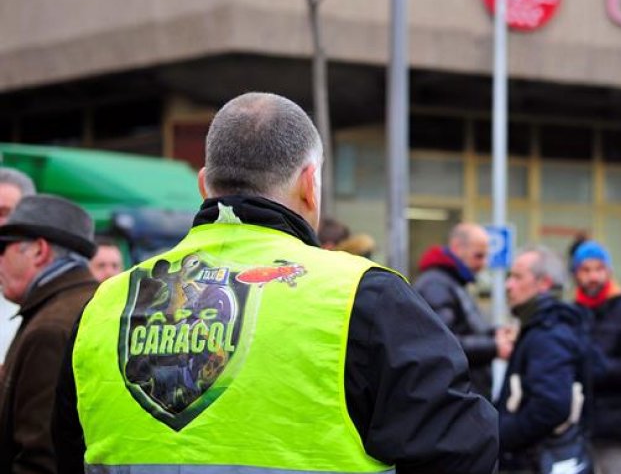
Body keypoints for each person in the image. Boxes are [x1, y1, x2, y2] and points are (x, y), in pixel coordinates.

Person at [53, 92, 498, 474]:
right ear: (310, 183)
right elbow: (460, 450)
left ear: (205, 185)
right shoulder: (363, 297)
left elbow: (69, 451)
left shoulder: (106, 304)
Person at [0, 195, 98, 474]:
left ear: (38, 251)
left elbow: (42, 457)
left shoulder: (51, 328)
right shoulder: (98, 302)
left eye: (3, 248)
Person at [498, 245, 592, 474]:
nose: (508, 285)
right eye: (510, 276)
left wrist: (500, 434)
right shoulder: (539, 327)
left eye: (518, 277)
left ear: (544, 283)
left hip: (538, 461)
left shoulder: (549, 334)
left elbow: (551, 406)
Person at [571, 240, 621, 474]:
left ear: (609, 271)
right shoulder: (572, 313)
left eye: (598, 269)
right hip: (578, 425)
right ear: (576, 274)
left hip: (615, 424)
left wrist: (595, 370)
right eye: (585, 270)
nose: (592, 276)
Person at [415, 222, 510, 398]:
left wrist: (494, 334)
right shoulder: (437, 285)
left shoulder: (450, 282)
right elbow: (442, 343)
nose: (484, 263)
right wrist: (494, 346)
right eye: (478, 256)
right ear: (458, 248)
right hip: (455, 398)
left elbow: (462, 329)